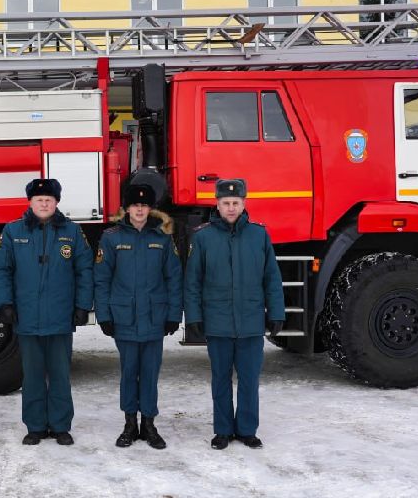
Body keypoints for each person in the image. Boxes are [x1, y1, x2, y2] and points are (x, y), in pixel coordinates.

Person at [184, 178, 285, 450]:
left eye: (235, 203)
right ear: (217, 204)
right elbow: (193, 281)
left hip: (251, 321)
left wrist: (276, 312)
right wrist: (193, 318)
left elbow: (271, 278)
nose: (230, 208)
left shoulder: (258, 235)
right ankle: (223, 430)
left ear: (243, 204)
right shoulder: (203, 237)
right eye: (226, 203)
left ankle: (247, 430)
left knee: (249, 380)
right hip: (217, 323)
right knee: (221, 379)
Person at [0, 178, 93, 446]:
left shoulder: (72, 232)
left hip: (60, 317)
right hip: (26, 317)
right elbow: (1, 270)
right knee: (33, 375)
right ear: (30, 202)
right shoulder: (13, 232)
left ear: (56, 202)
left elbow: (84, 270)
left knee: (60, 374)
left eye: (49, 199)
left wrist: (83, 305)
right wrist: (5, 304)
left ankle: (60, 425)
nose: (44, 203)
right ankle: (35, 426)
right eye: (39, 200)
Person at [94, 183, 182, 450]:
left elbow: (174, 278)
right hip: (124, 318)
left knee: (150, 373)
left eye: (144, 205)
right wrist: (104, 315)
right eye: (135, 205)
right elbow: (101, 278)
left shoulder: (163, 239)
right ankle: (130, 424)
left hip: (155, 318)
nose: (140, 209)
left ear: (150, 208)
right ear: (127, 208)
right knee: (129, 372)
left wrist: (173, 314)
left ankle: (149, 425)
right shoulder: (111, 238)